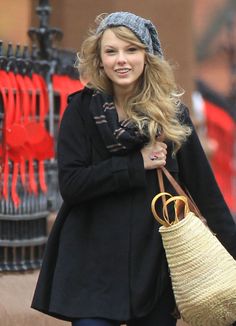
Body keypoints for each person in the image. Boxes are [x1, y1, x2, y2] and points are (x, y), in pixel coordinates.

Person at [31, 11, 236, 326]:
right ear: (99, 60)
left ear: (147, 55)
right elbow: (71, 185)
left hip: (153, 269)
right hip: (91, 268)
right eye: (111, 51)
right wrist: (134, 164)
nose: (121, 60)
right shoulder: (81, 111)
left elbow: (207, 196)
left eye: (131, 50)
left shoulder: (171, 116)